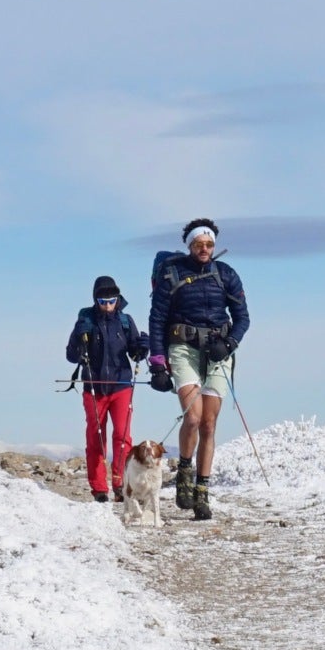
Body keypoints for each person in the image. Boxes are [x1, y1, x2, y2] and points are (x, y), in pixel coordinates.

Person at [146, 218, 248, 521]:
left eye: (209, 244)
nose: (204, 249)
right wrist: (157, 365)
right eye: (199, 244)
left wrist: (229, 343)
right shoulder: (172, 275)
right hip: (183, 349)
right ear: (189, 245)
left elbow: (243, 317)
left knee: (209, 424)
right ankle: (184, 472)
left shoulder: (226, 274)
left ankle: (202, 492)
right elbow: (156, 320)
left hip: (218, 352)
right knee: (192, 416)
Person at [65, 275, 149, 503]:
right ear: (96, 300)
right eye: (103, 301)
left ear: (117, 299)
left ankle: (121, 483)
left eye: (112, 301)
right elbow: (71, 356)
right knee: (96, 437)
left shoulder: (125, 321)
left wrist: (143, 348)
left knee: (122, 435)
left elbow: (135, 352)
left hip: (121, 385)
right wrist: (77, 338)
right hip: (94, 387)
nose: (108, 305)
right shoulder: (86, 321)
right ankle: (99, 488)